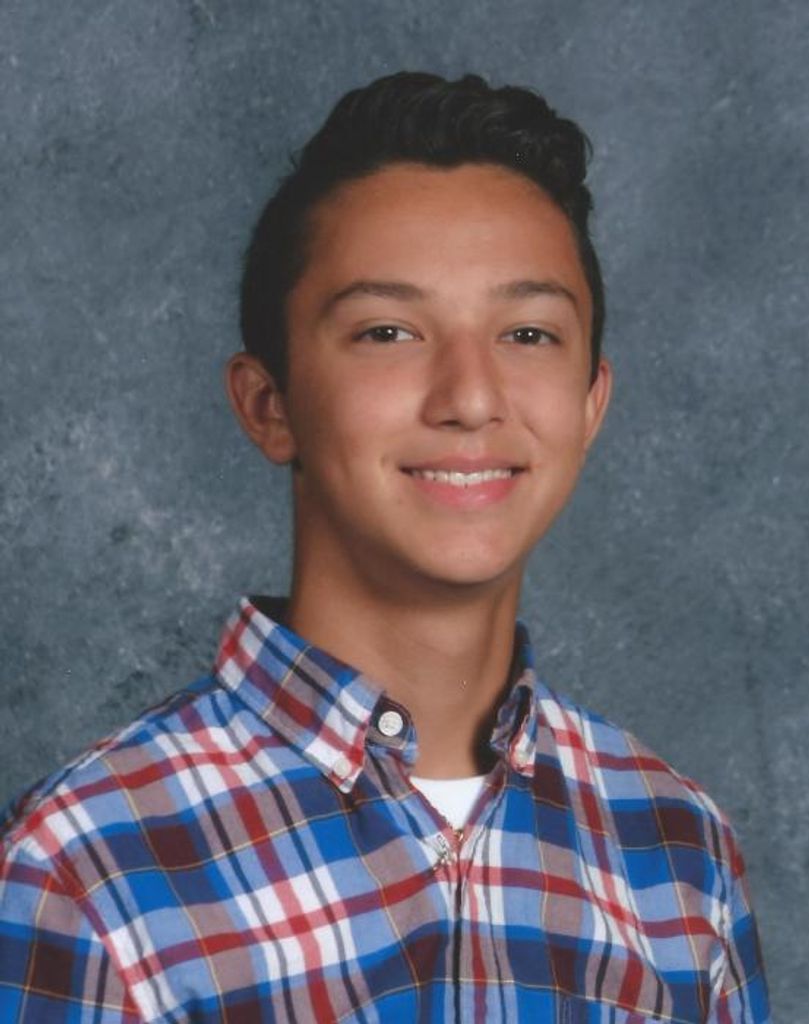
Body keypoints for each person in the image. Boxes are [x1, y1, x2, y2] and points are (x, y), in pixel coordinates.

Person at [0, 72, 769, 1023]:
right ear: (268, 404)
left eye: (528, 332)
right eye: (388, 331)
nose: (470, 397)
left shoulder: (677, 851)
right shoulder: (88, 863)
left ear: (589, 405)